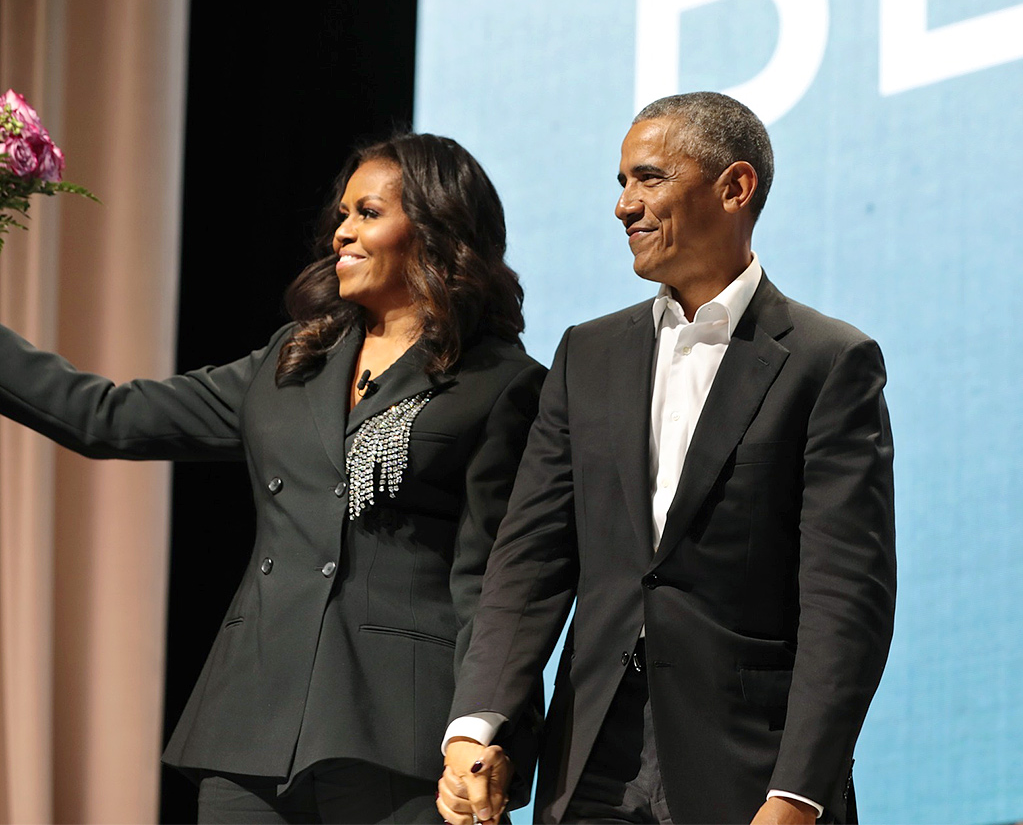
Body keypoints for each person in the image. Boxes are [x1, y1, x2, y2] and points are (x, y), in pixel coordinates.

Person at [0, 132, 546, 824]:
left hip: (399, 735)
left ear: (437, 229)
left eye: (369, 213)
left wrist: (485, 732)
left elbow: (498, 584)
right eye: (342, 215)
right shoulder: (294, 361)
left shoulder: (499, 384)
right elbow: (108, 417)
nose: (342, 231)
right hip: (252, 729)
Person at [438, 93, 896, 825]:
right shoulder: (586, 354)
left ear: (734, 187)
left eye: (647, 178)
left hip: (749, 773)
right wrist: (476, 723)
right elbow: (529, 560)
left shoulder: (828, 362)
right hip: (590, 765)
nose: (625, 206)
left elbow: (847, 604)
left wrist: (799, 791)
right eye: (620, 184)